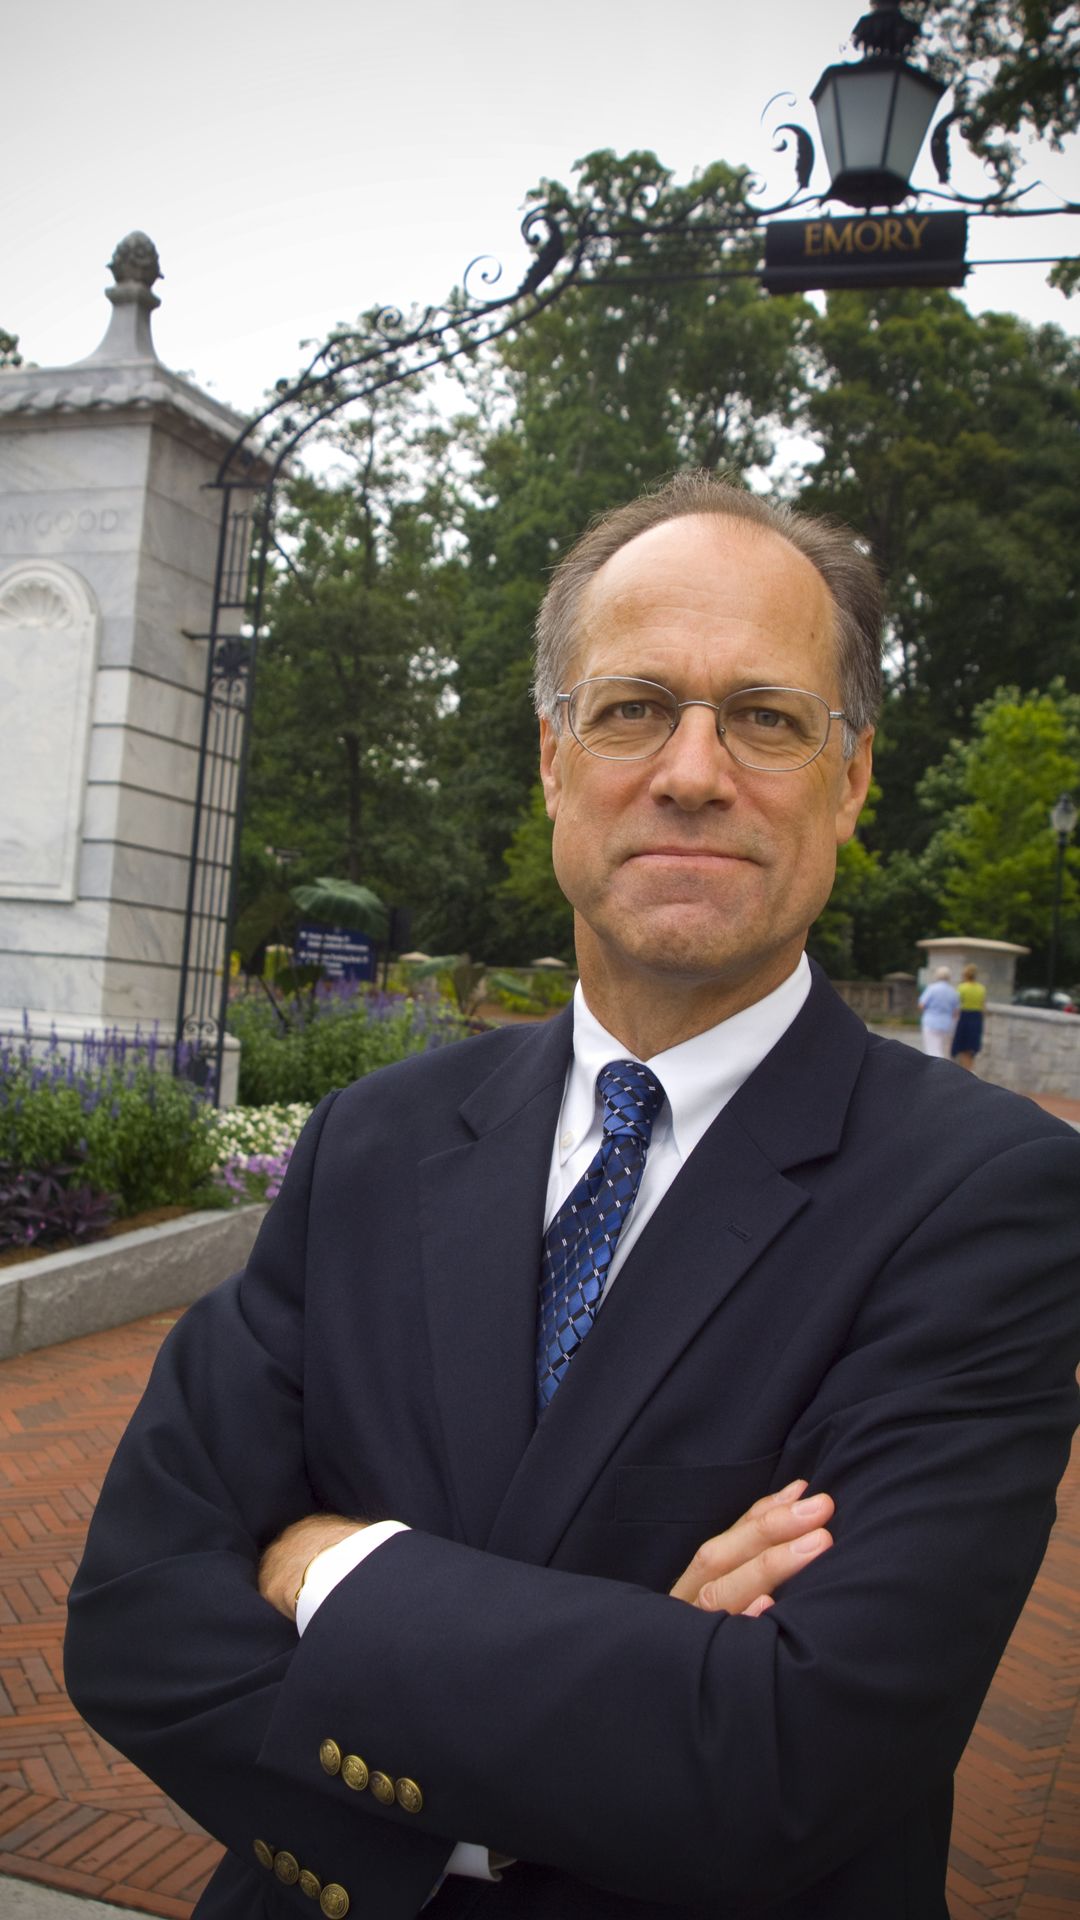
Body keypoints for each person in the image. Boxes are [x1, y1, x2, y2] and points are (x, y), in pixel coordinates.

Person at [65, 473, 1080, 1920]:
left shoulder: (986, 1200)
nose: (690, 770)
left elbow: (790, 1753)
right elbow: (132, 1614)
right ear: (554, 759)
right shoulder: (372, 1140)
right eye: (632, 707)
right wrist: (620, 1689)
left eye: (768, 718)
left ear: (852, 780)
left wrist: (334, 1564)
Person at [952, 962, 988, 1070]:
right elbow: (983, 1006)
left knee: (962, 1046)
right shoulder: (981, 988)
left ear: (965, 975)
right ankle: (970, 1067)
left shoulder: (961, 987)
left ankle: (965, 1070)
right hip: (976, 1018)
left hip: (964, 1017)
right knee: (972, 1046)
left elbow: (956, 1005)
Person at [918, 965, 960, 1057]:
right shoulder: (953, 991)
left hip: (931, 1022)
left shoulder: (932, 988)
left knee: (932, 1049)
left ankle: (935, 1070)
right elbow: (956, 1011)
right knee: (944, 1050)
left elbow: (922, 1005)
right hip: (947, 1023)